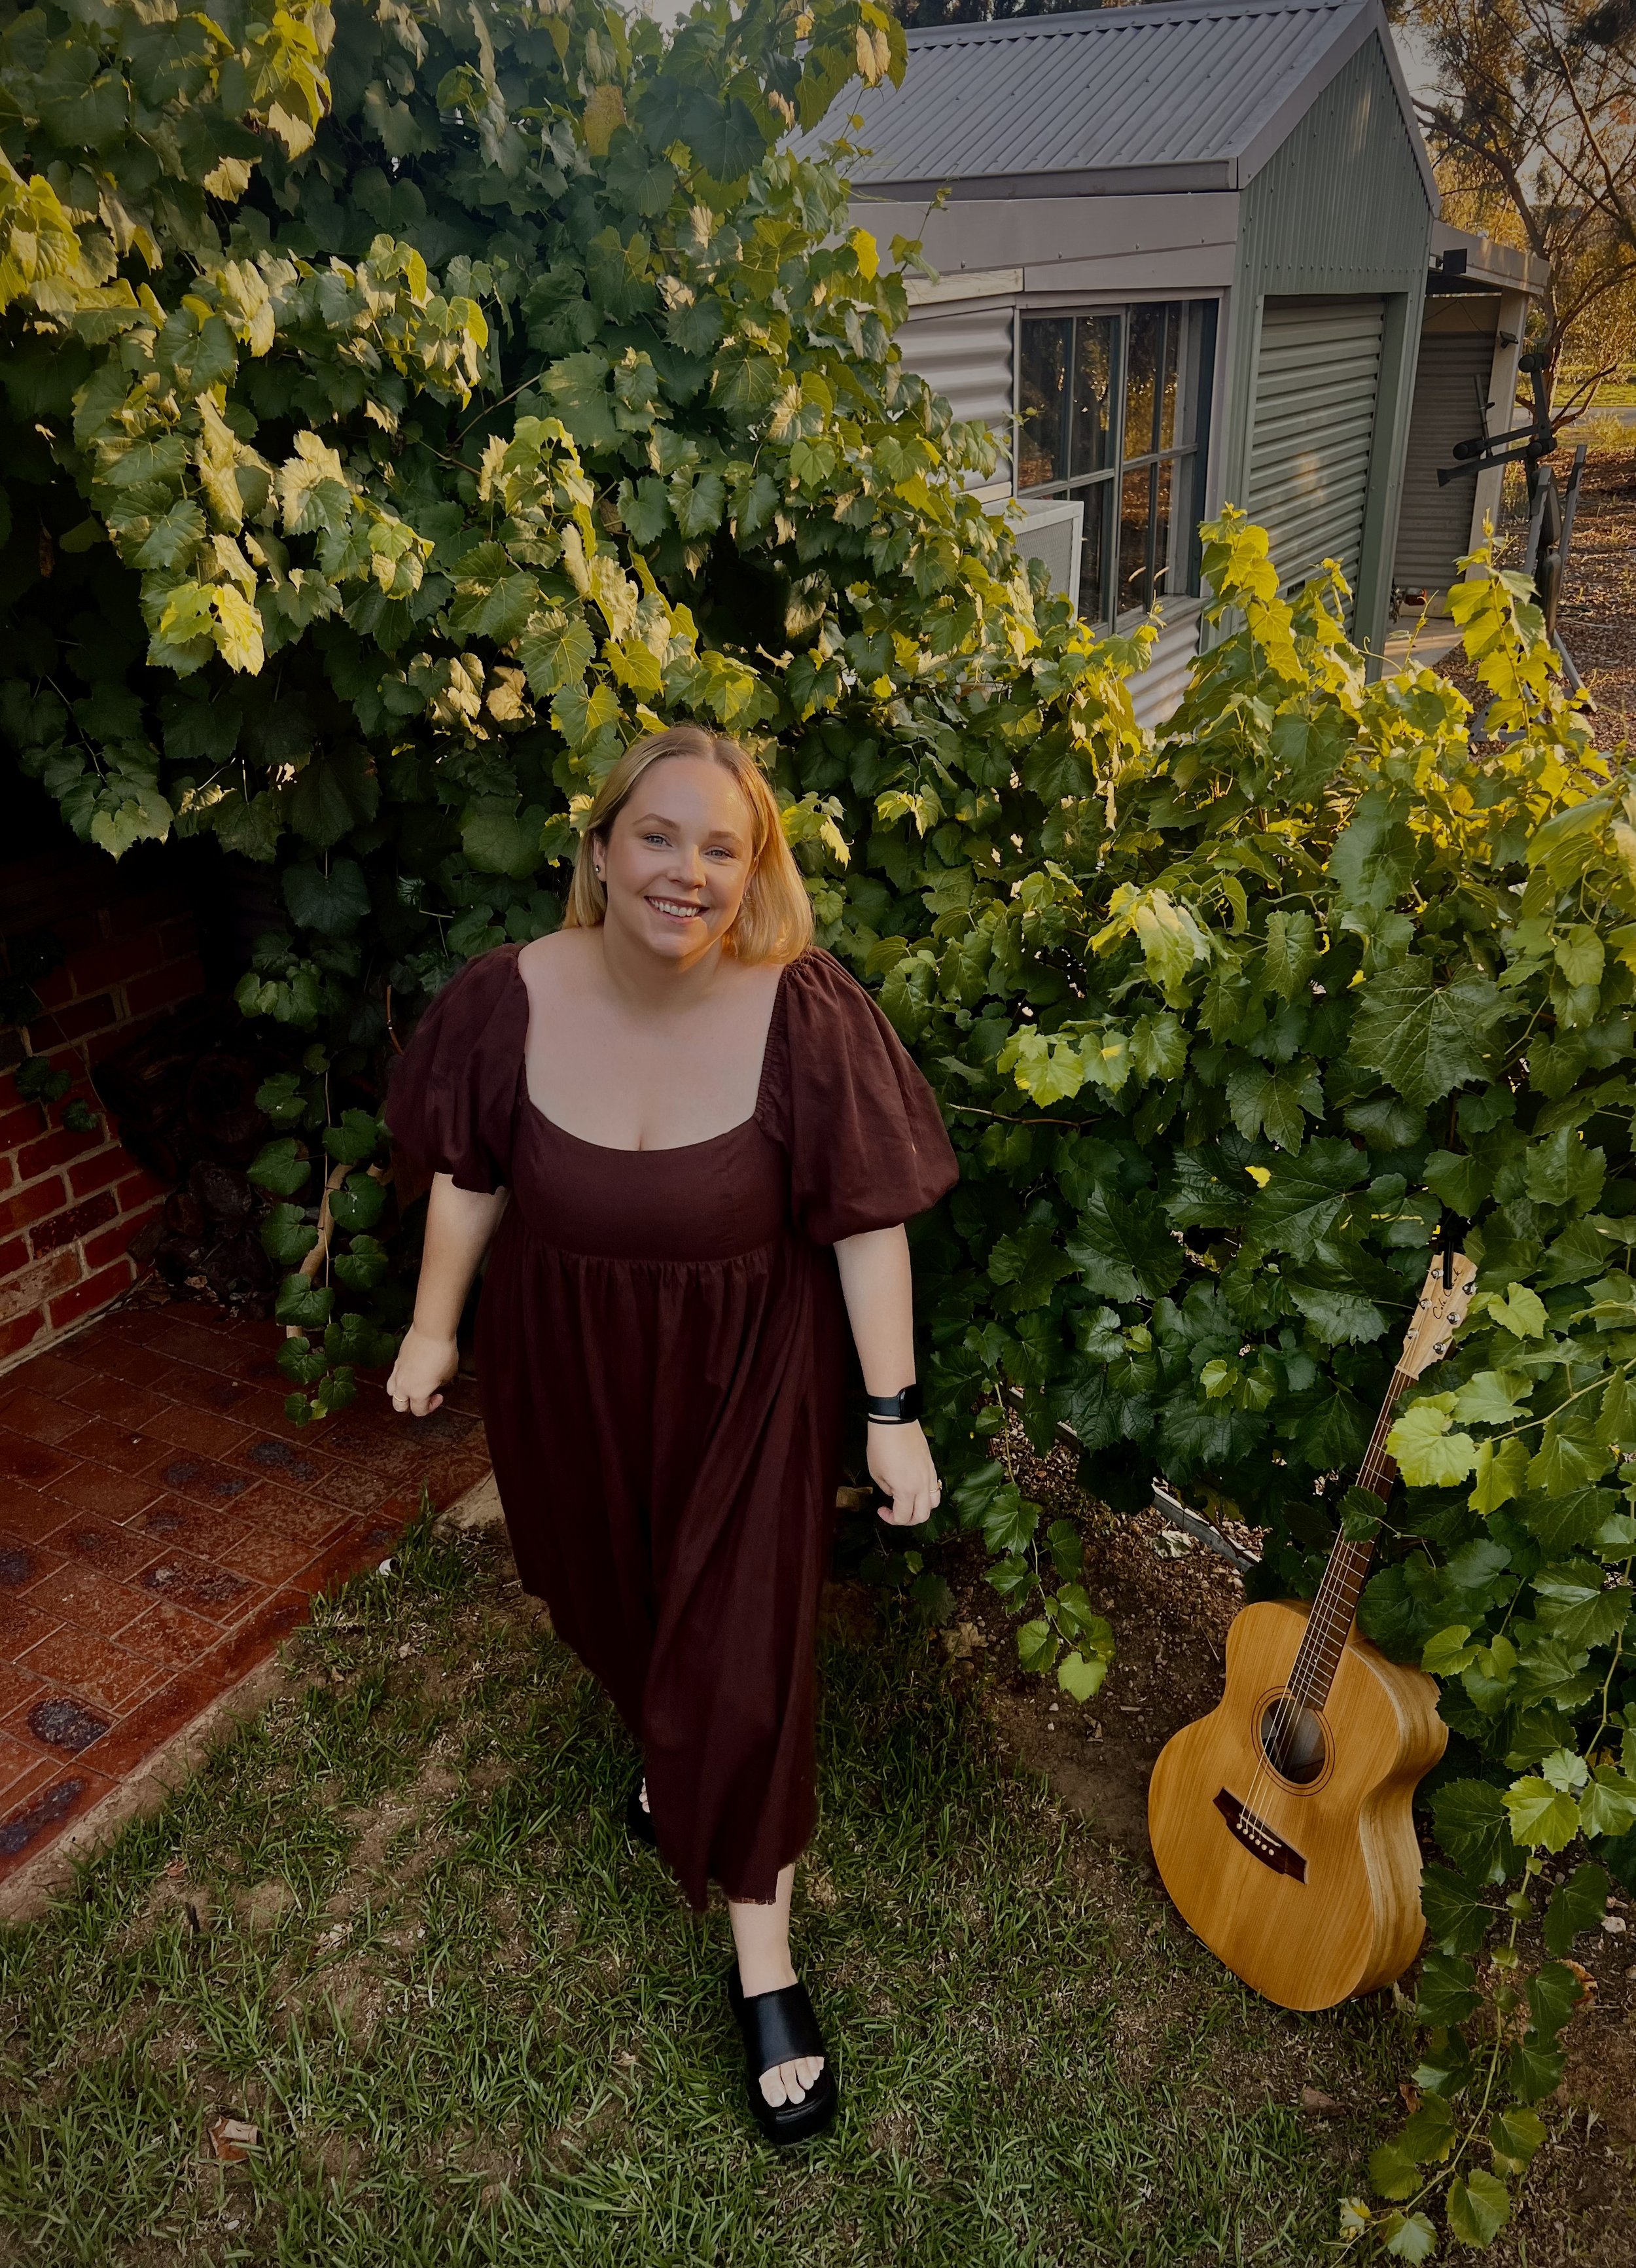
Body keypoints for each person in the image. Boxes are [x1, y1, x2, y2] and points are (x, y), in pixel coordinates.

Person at [383, 722, 958, 2144]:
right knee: (612, 1589)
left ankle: (762, 1959)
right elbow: (467, 1174)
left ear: (751, 872)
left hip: (751, 1372)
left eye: (721, 846)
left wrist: (890, 1412)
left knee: (747, 1644)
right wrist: (434, 1327)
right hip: (567, 1366)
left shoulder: (804, 1011)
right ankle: (667, 1744)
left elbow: (867, 1219)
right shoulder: (504, 999)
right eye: (658, 834)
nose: (685, 871)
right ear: (596, 846)